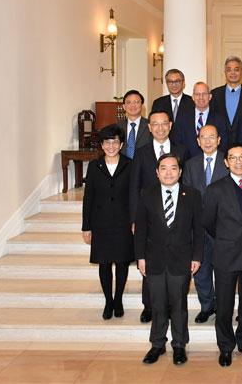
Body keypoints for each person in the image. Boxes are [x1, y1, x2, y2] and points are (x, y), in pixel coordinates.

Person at [134, 153, 204, 366]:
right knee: (157, 304)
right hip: (153, 260)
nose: (168, 172)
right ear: (157, 172)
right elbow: (140, 230)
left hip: (181, 259)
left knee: (178, 304)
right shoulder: (147, 194)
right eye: (164, 168)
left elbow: (198, 230)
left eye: (173, 168)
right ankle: (157, 344)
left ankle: (179, 345)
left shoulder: (192, 194)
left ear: (180, 172)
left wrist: (197, 257)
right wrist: (140, 257)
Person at [203, 143, 242, 367]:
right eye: (233, 158)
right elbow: (209, 222)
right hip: (226, 254)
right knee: (224, 305)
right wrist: (226, 238)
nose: (238, 161)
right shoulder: (215, 188)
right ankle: (226, 346)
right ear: (226, 162)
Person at [129, 110, 191, 323]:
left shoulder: (182, 150)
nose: (160, 128)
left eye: (164, 123)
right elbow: (134, 187)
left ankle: (174, 307)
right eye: (155, 124)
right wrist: (134, 219)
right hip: (150, 218)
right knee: (150, 264)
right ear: (149, 127)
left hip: (175, 217)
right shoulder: (141, 152)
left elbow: (187, 184)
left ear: (170, 125)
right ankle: (149, 306)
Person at [81, 124, 133, 320]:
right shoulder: (95, 166)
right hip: (100, 223)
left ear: (120, 145)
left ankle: (118, 299)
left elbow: (133, 196)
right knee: (104, 264)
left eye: (115, 142)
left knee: (121, 263)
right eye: (107, 142)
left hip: (123, 222)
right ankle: (108, 301)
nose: (111, 146)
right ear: (102, 145)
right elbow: (88, 198)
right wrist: (86, 226)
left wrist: (135, 221)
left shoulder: (130, 164)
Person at [181, 124, 230, 324]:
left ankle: (223, 305)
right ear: (198, 141)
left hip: (223, 226)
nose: (208, 141)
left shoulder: (228, 162)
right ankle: (206, 305)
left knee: (223, 269)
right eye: (204, 137)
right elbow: (185, 196)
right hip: (198, 226)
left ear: (219, 140)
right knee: (200, 269)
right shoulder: (191, 165)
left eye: (212, 137)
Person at [172, 82, 227, 156]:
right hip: (188, 164)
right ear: (193, 97)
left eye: (204, 94)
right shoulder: (182, 118)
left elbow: (223, 144)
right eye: (197, 94)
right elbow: (177, 143)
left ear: (210, 97)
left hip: (212, 163)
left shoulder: (220, 119)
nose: (201, 97)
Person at [209, 56, 242, 142]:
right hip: (220, 144)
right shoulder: (215, 94)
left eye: (236, 69)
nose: (233, 73)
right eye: (229, 70)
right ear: (225, 72)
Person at [115, 90, 152, 158]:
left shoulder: (150, 125)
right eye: (129, 102)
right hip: (123, 166)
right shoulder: (117, 127)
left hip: (144, 166)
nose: (132, 105)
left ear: (142, 105)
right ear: (124, 106)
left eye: (136, 102)